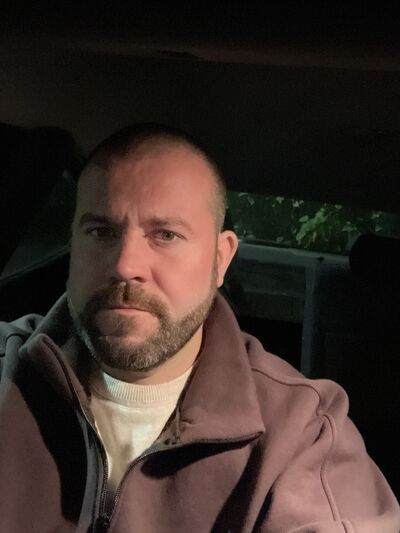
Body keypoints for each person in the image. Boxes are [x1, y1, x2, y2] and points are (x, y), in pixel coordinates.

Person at [0, 123, 399, 533]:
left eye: (165, 235)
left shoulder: (303, 432)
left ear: (220, 260)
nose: (125, 265)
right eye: (101, 232)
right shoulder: (6, 370)